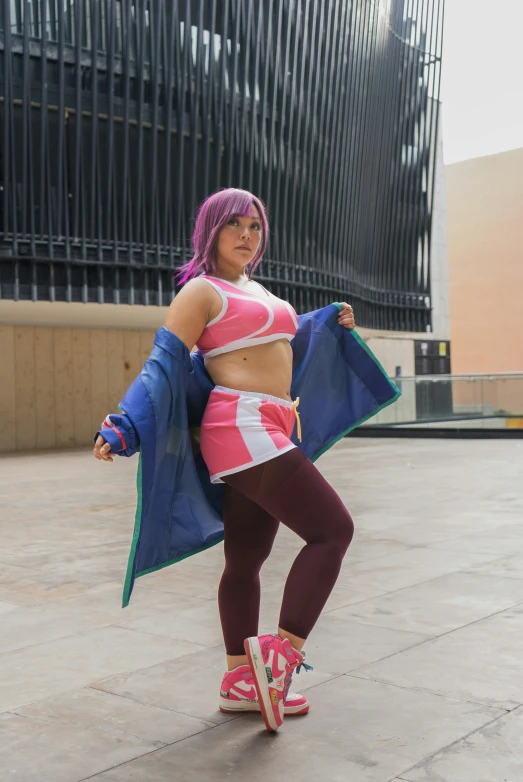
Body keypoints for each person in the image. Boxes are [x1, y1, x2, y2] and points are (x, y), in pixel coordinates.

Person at [94, 188, 357, 733]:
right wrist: (124, 423)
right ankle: (279, 657)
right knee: (333, 530)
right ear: (209, 230)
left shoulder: (254, 289)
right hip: (242, 424)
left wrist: (329, 321)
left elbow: (274, 339)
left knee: (246, 560)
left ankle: (241, 679)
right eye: (234, 224)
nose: (246, 234)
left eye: (255, 226)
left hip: (273, 420)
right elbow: (163, 363)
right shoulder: (201, 291)